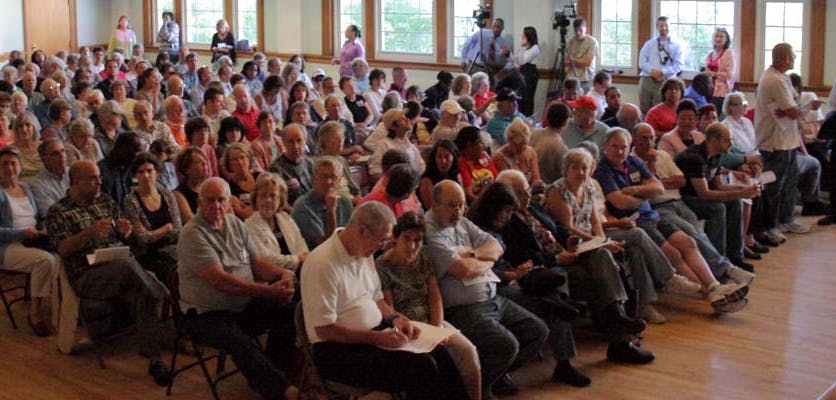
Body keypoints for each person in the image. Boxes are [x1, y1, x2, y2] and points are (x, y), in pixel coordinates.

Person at [302, 201, 467, 399]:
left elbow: (376, 298)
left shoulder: (363, 250)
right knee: (422, 367)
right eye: (381, 241)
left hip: (373, 335)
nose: (383, 247)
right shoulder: (322, 263)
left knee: (440, 354)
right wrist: (377, 338)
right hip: (338, 351)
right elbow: (325, 330)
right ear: (362, 231)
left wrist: (396, 318)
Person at [593, 128, 749, 313]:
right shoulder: (603, 171)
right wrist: (646, 193)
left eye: (624, 147)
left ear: (629, 147)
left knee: (688, 242)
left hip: (652, 214)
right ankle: (709, 292)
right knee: (674, 253)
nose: (620, 151)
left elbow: (658, 188)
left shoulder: (633, 162)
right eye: (615, 147)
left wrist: (635, 190)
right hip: (634, 221)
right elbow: (620, 202)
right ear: (606, 147)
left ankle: (715, 286)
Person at [46, 160, 172, 386]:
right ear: (76, 182)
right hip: (86, 274)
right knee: (136, 272)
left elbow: (124, 238)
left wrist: (126, 232)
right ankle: (161, 292)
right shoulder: (59, 211)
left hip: (119, 265)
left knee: (138, 281)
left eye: (99, 177)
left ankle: (155, 360)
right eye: (93, 178)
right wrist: (90, 232)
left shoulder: (105, 201)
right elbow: (62, 249)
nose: (99, 182)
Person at [177, 177, 299, 400]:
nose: (216, 206)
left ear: (229, 202)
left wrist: (284, 274)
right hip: (206, 313)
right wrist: (268, 291)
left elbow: (256, 263)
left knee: (292, 310)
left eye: (221, 200)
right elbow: (221, 281)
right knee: (238, 339)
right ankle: (282, 391)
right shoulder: (192, 233)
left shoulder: (235, 223)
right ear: (199, 202)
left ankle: (273, 372)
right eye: (210, 200)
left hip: (241, 304)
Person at [424, 180, 548, 398]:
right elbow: (462, 270)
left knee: (537, 331)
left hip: (492, 297)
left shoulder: (462, 222)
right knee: (506, 345)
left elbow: (497, 247)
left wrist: (473, 255)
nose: (458, 211)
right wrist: (485, 260)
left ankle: (491, 379)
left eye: (462, 205)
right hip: (464, 308)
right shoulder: (429, 231)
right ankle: (475, 389)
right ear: (434, 204)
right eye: (452, 205)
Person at [375, 211, 482, 399]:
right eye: (406, 238)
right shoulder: (382, 266)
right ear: (395, 238)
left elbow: (435, 298)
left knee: (468, 351)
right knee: (435, 363)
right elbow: (390, 310)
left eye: (418, 240)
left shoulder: (424, 258)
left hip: (431, 321)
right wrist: (425, 334)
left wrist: (437, 328)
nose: (412, 246)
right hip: (407, 327)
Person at [676, 122, 761, 272]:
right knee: (717, 208)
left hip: (699, 195)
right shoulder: (694, 158)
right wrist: (741, 193)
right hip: (685, 198)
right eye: (727, 140)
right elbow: (704, 193)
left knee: (735, 202)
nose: (731, 144)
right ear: (714, 141)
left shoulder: (716, 156)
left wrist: (745, 189)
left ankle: (735, 256)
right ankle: (718, 263)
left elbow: (719, 186)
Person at [756, 43, 819, 238]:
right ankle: (771, 225)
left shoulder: (783, 77)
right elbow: (793, 112)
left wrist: (794, 109)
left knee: (790, 182)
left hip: (788, 140)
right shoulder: (774, 79)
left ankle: (786, 219)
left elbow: (792, 105)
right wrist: (809, 107)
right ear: (784, 59)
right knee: (775, 186)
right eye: (792, 56)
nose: (794, 59)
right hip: (775, 142)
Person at [0, 146, 57, 336]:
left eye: (13, 163)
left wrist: (43, 228)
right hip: (8, 245)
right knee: (45, 260)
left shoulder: (25, 187)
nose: (10, 168)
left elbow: (37, 217)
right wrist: (22, 233)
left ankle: (63, 308)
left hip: (33, 239)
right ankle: (35, 315)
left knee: (63, 255)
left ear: (20, 166)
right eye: (4, 164)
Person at [122, 152, 181, 284]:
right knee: (173, 271)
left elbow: (177, 229)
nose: (146, 175)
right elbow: (142, 239)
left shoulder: (167, 195)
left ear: (157, 172)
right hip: (148, 254)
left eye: (149, 171)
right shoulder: (130, 201)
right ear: (135, 175)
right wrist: (167, 228)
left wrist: (153, 233)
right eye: (141, 172)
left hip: (173, 248)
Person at [244, 173, 309, 272]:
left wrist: (305, 258)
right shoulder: (249, 226)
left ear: (280, 199)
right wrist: (297, 260)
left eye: (273, 195)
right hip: (275, 276)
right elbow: (266, 258)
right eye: (263, 195)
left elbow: (300, 244)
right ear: (255, 198)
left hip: (300, 270)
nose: (268, 200)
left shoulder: (285, 217)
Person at [290, 156, 353, 249]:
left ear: (339, 181)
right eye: (324, 177)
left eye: (333, 177)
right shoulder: (303, 207)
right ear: (314, 179)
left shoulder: (345, 202)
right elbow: (326, 247)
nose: (328, 182)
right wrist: (331, 211)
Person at [638, 16, 685, 114]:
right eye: (661, 26)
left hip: (666, 81)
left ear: (670, 26)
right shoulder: (649, 44)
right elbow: (642, 62)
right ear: (657, 27)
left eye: (666, 25)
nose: (663, 28)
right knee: (644, 110)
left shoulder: (677, 46)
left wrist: (662, 72)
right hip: (647, 79)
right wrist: (652, 71)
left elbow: (679, 65)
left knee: (662, 110)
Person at [368, 109, 425, 181]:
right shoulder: (384, 145)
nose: (407, 120)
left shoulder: (411, 146)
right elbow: (375, 173)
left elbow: (422, 168)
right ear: (393, 127)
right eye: (402, 119)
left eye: (405, 117)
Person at [492, 117, 544, 190]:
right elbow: (510, 187)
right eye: (518, 145)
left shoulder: (530, 152)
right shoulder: (499, 157)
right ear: (509, 140)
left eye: (524, 145)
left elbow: (536, 179)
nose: (522, 149)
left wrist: (538, 185)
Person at [269, 124, 314, 206]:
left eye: (299, 141)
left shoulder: (309, 164)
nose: (296, 146)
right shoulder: (275, 169)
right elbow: (277, 200)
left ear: (305, 142)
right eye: (290, 142)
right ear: (284, 143)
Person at [316, 121, 360, 200]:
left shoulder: (341, 160)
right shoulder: (320, 165)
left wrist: (358, 197)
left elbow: (353, 186)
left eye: (342, 137)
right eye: (336, 138)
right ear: (325, 141)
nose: (340, 141)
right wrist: (352, 201)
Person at [461, 18, 512, 83]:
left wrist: (503, 70)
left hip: (489, 70)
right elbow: (467, 44)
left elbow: (509, 60)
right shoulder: (481, 33)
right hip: (474, 66)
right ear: (491, 26)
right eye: (494, 26)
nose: (496, 29)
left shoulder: (503, 43)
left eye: (498, 27)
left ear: (502, 28)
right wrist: (463, 60)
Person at [456, 126, 498, 203]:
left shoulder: (484, 157)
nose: (484, 146)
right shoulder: (461, 163)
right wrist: (486, 205)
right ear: (469, 145)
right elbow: (468, 194)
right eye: (480, 142)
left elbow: (497, 180)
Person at [29, 138, 69, 218]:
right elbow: (50, 214)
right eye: (55, 154)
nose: (62, 156)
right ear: (43, 158)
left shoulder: (74, 172)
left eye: (63, 151)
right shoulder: (37, 184)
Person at [532, 102, 571, 184]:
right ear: (565, 121)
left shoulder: (534, 133)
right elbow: (566, 175)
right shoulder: (560, 148)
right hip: (546, 187)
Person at [419, 140, 462, 210]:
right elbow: (431, 208)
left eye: (447, 157)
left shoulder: (456, 174)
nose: (443, 161)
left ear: (454, 158)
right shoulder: (427, 180)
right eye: (439, 157)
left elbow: (463, 202)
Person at [173, 146, 208, 223]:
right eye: (199, 162)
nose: (205, 164)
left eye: (205, 161)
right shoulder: (178, 194)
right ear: (187, 169)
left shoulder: (210, 188)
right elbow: (190, 221)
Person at [704, 28, 735, 111]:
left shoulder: (728, 53)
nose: (718, 39)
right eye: (716, 36)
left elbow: (730, 75)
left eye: (721, 37)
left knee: (714, 113)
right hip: (708, 89)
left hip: (721, 92)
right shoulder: (710, 54)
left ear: (726, 39)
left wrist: (714, 74)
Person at [565, 18, 598, 92]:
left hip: (586, 79)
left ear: (585, 29)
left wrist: (572, 60)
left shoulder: (592, 42)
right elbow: (566, 61)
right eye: (575, 31)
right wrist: (581, 59)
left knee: (585, 98)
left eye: (580, 30)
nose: (578, 33)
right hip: (572, 78)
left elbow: (587, 62)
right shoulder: (571, 42)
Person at [514, 26, 540, 116]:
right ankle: (520, 117)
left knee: (527, 99)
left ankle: (528, 118)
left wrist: (522, 48)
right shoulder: (526, 48)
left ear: (529, 36)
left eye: (524, 35)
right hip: (523, 72)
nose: (522, 36)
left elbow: (523, 61)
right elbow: (518, 60)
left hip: (530, 73)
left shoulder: (535, 48)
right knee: (520, 97)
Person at [10, 112, 43, 181]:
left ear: (34, 127)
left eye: (28, 125)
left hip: (44, 184)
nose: (24, 129)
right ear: (16, 129)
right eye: (20, 126)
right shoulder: (10, 150)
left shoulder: (44, 147)